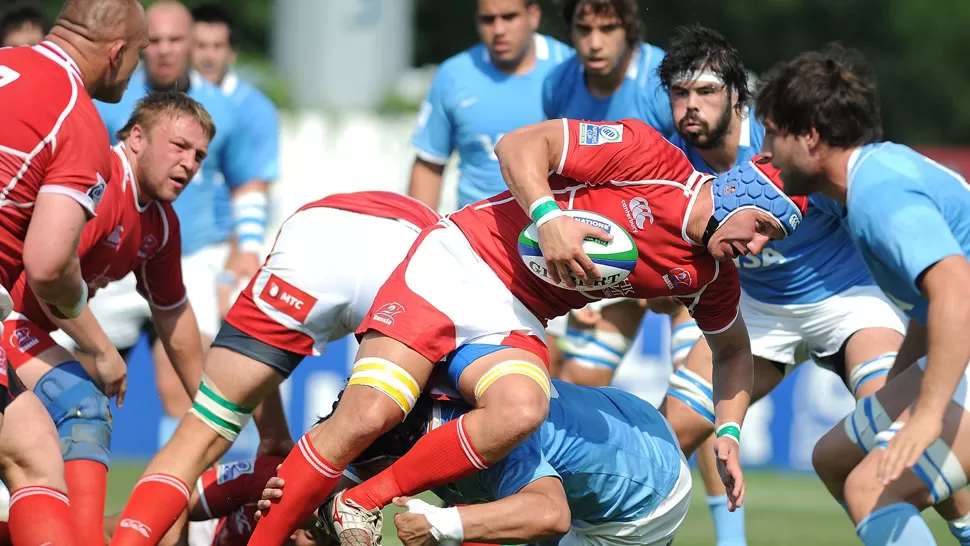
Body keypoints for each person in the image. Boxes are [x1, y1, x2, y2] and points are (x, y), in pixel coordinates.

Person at [248, 117, 808, 545]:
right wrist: (547, 217)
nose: (757, 247)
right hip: (457, 261)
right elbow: (517, 146)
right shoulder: (651, 157)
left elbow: (734, 352)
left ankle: (361, 502)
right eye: (761, 227)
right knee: (367, 417)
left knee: (523, 410)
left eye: (771, 240)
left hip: (514, 317)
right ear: (738, 193)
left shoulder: (710, 275)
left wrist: (729, 432)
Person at [108, 190, 442, 545]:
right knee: (472, 452)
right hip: (411, 251)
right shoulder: (274, 480)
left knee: (196, 439)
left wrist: (272, 434)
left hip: (315, 232)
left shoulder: (276, 479)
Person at [757, 46, 970, 546]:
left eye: (772, 132)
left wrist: (926, 415)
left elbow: (956, 289)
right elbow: (931, 303)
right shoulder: (865, 184)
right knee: (833, 458)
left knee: (871, 490)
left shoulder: (877, 194)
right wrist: (901, 387)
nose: (764, 151)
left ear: (810, 136)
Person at [2, 91, 213, 545]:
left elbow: (173, 315)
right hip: (7, 318)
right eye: (178, 147)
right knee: (85, 406)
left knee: (51, 448)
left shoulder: (159, 222)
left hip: (25, 328)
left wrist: (212, 410)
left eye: (199, 155)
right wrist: (102, 350)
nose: (189, 164)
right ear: (137, 137)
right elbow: (50, 274)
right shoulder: (97, 179)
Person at [0, 0, 147, 543]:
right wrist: (99, 341)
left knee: (31, 447)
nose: (136, 72)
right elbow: (47, 264)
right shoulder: (77, 118)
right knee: (36, 462)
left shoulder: (7, 62)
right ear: (115, 54)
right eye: (138, 56)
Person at [93, 0, 267, 444]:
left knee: (185, 385)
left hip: (192, 255)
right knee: (85, 380)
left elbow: (247, 184)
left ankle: (192, 507)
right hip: (113, 251)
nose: (165, 50)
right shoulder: (112, 97)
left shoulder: (222, 110)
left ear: (193, 44)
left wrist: (246, 250)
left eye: (176, 40)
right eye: (156, 41)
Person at [539, 0, 672, 390]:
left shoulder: (663, 81)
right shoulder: (558, 83)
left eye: (608, 29)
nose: (594, 43)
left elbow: (689, 177)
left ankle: (720, 453)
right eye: (584, 29)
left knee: (694, 400)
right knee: (551, 373)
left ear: (629, 29)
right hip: (582, 246)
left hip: (655, 247)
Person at [407, 0, 570, 210]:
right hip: (474, 233)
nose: (499, 30)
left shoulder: (569, 68)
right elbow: (429, 164)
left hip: (552, 229)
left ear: (534, 16)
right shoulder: (454, 76)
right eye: (488, 19)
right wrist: (417, 230)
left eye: (510, 17)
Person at [191, 2, 278, 289]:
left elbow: (257, 186)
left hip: (232, 240)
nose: (208, 56)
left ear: (232, 53)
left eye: (217, 46)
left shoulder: (256, 109)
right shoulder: (168, 99)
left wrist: (237, 252)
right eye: (200, 46)